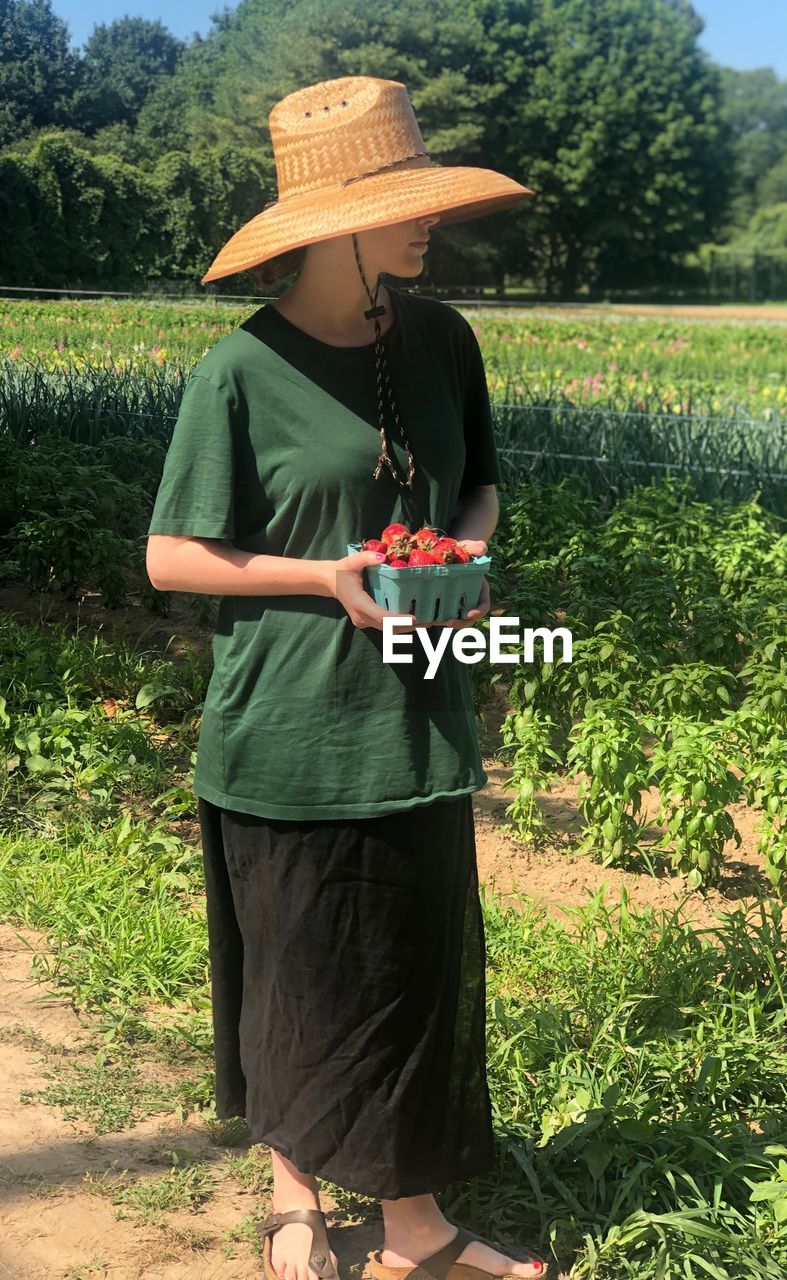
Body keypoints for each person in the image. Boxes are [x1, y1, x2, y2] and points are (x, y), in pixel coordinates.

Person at [145, 76, 549, 1280]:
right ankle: (294, 1198)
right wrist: (327, 577)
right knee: (300, 972)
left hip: (417, 714)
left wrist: (465, 553)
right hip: (285, 730)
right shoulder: (239, 371)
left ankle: (417, 1224)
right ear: (330, 226)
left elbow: (476, 482)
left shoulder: (443, 341)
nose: (428, 224)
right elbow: (173, 554)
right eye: (401, 205)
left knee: (411, 971)